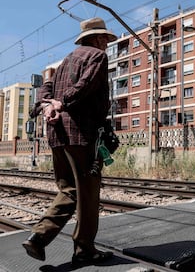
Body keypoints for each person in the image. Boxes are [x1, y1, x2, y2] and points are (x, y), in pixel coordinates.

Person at [22, 17, 117, 267]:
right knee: (87, 193)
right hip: (80, 133)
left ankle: (38, 237)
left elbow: (45, 87)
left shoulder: (66, 61)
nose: (106, 44)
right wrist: (62, 102)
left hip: (56, 134)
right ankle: (84, 250)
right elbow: (86, 84)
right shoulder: (97, 56)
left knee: (69, 189)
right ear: (97, 39)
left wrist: (46, 104)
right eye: (105, 39)